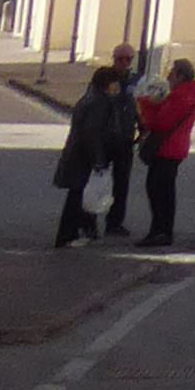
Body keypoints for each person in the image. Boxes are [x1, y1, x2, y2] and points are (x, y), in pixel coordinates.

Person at [137, 60, 195, 247]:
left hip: (167, 148)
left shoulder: (181, 96)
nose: (168, 77)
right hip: (176, 147)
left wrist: (145, 107)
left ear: (181, 76)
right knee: (163, 190)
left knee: (158, 191)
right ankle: (162, 230)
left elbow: (162, 122)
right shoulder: (189, 94)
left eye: (172, 74)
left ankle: (160, 231)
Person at [52, 70, 118, 248]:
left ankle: (74, 232)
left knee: (78, 194)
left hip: (76, 152)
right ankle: (67, 235)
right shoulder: (100, 102)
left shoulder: (89, 97)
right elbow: (92, 132)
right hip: (84, 155)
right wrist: (98, 159)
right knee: (77, 195)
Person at [97, 45, 142, 235]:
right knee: (98, 180)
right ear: (113, 58)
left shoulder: (133, 80)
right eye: (121, 59)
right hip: (105, 137)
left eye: (128, 59)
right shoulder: (104, 77)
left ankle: (114, 222)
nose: (124, 63)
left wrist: (142, 126)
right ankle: (88, 220)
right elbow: (102, 101)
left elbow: (136, 104)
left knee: (121, 183)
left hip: (125, 138)